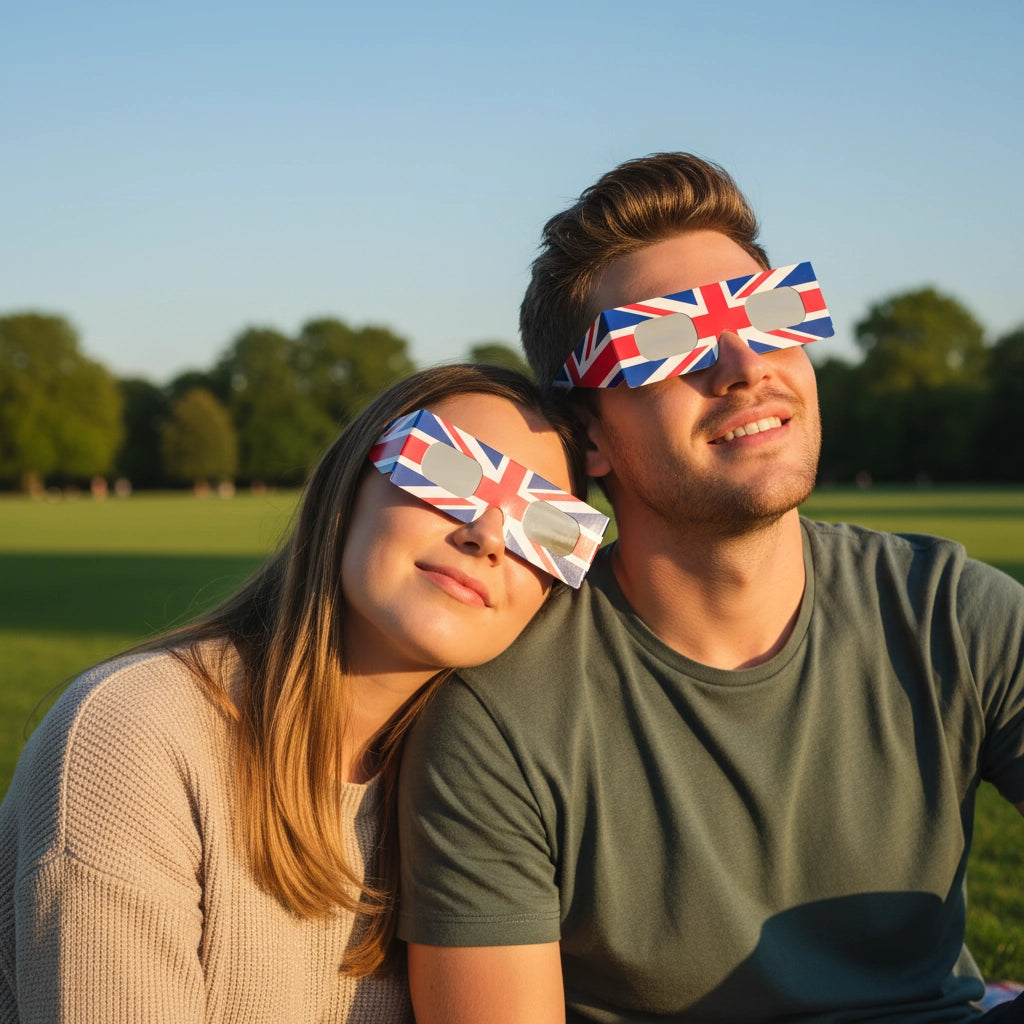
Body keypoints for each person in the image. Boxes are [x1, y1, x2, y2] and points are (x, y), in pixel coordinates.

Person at [396, 154, 1024, 1023]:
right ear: (590, 437)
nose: (743, 362)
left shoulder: (952, 611)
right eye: (662, 341)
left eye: (770, 313)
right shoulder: (504, 719)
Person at [0, 362, 608, 1024]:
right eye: (453, 474)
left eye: (548, 528)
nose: (487, 535)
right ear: (352, 482)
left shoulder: (490, 795)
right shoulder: (136, 731)